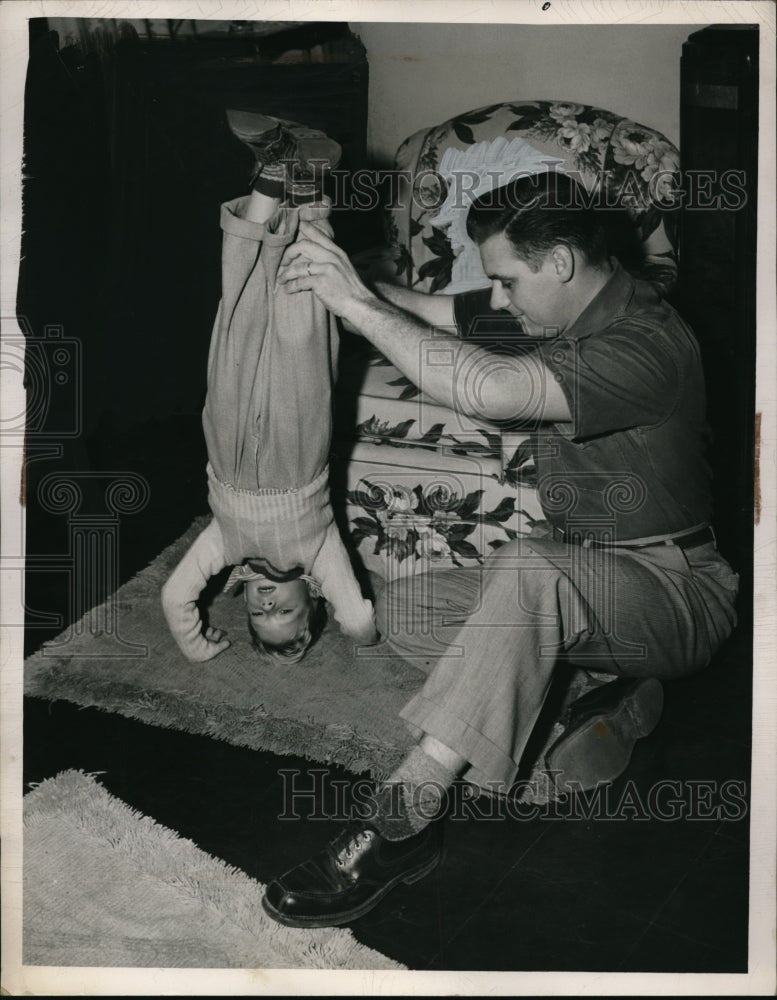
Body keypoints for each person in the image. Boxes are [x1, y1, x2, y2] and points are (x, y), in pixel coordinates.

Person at [258, 170, 740, 929]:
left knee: (527, 570)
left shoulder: (646, 340)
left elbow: (491, 391)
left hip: (678, 591)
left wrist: (354, 302)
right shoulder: (562, 307)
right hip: (589, 583)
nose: (503, 300)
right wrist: (344, 278)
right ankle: (594, 693)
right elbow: (437, 311)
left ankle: (400, 823)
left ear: (557, 262)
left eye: (509, 280)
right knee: (406, 611)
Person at [161, 112, 377, 665]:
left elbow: (174, 595)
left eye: (259, 614)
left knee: (239, 305)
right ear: (313, 598)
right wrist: (356, 625)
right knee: (298, 308)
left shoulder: (225, 547)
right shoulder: (321, 554)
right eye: (284, 611)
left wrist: (196, 645)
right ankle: (307, 191)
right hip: (296, 434)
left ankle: (274, 170)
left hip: (228, 430)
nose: (266, 605)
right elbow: (359, 623)